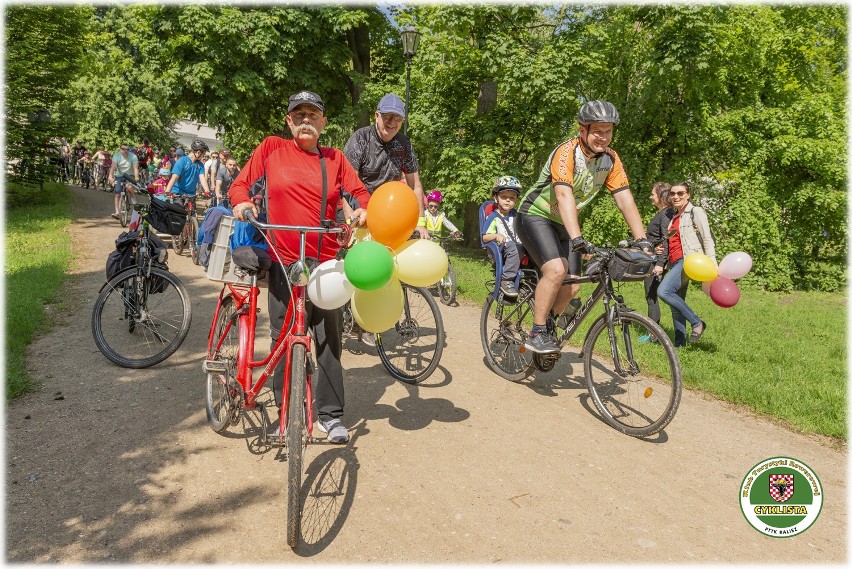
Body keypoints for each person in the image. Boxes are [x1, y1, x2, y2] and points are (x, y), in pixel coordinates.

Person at [229, 90, 371, 444]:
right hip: (282, 259)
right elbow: (240, 185)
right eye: (299, 114)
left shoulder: (336, 159)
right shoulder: (271, 149)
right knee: (282, 337)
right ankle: (286, 415)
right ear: (289, 120)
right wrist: (243, 203)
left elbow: (362, 196)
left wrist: (360, 211)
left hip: (324, 263)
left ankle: (331, 415)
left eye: (313, 114)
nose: (305, 119)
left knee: (328, 338)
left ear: (323, 122)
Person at [516, 100, 651, 354]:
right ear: (583, 130)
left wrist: (642, 239)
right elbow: (564, 196)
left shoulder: (611, 160)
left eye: (608, 131)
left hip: (564, 223)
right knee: (557, 270)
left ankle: (548, 325)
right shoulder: (567, 153)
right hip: (535, 215)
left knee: (573, 285)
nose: (603, 137)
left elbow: (624, 198)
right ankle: (536, 332)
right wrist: (578, 238)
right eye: (598, 131)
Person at [342, 93, 429, 239]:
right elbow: (346, 184)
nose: (392, 122)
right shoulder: (360, 139)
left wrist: (419, 222)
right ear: (377, 116)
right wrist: (350, 220)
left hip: (389, 211)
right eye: (387, 116)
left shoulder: (404, 143)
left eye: (397, 118)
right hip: (361, 211)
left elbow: (415, 186)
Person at [657, 181, 715, 347]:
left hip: (689, 260)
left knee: (664, 291)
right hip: (675, 262)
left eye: (680, 193)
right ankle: (680, 345)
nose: (676, 197)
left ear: (688, 195)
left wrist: (712, 264)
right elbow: (674, 240)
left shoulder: (695, 211)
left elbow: (707, 238)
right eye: (673, 194)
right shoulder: (675, 216)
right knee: (676, 302)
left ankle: (697, 323)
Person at [481, 176, 525, 297]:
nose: (507, 200)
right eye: (504, 197)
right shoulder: (493, 217)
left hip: (517, 248)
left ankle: (534, 280)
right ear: (496, 198)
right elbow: (484, 237)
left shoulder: (517, 216)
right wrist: (496, 235)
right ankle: (506, 279)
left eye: (512, 198)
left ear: (516, 201)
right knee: (513, 246)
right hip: (502, 250)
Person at [642, 182, 674, 330]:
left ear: (661, 196)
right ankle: (653, 332)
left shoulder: (666, 214)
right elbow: (660, 238)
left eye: (653, 194)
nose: (650, 197)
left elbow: (667, 239)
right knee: (651, 294)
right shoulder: (663, 213)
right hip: (654, 258)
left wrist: (660, 263)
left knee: (651, 295)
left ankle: (653, 333)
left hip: (657, 262)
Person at [107, 143, 140, 219]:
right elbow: (113, 167)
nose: (125, 151)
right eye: (123, 149)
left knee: (129, 186)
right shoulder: (116, 156)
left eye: (127, 149)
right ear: (120, 149)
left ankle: (132, 196)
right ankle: (117, 212)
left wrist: (136, 178)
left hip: (130, 175)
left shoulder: (133, 156)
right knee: (117, 193)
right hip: (119, 176)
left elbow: (135, 168)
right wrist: (110, 176)